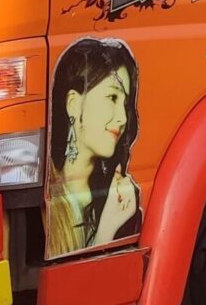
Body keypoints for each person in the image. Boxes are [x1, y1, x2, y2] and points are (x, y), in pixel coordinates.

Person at [47, 37, 144, 258]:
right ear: (73, 104)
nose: (122, 118)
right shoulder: (48, 199)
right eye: (112, 97)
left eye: (125, 104)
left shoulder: (117, 200)